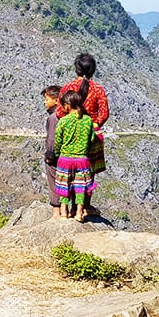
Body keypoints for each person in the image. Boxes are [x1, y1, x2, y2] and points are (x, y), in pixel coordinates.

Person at [57, 52, 109, 217]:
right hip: (90, 135)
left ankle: (68, 208)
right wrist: (94, 124)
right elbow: (104, 112)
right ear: (93, 70)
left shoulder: (67, 88)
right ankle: (83, 207)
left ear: (76, 69)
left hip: (70, 135)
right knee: (86, 172)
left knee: (67, 172)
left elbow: (59, 111)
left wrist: (71, 123)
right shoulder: (98, 89)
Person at [54, 90, 95, 222]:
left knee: (64, 185)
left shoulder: (63, 121)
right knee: (80, 187)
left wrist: (57, 154)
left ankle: (64, 212)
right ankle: (79, 212)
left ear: (67, 105)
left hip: (65, 159)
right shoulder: (88, 121)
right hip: (82, 159)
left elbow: (58, 140)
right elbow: (92, 139)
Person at [40, 85, 63, 218]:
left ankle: (56, 211)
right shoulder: (65, 115)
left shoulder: (53, 118)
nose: (45, 102)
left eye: (47, 99)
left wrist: (49, 155)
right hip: (66, 156)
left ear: (56, 100)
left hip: (55, 156)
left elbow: (51, 139)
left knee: (54, 180)